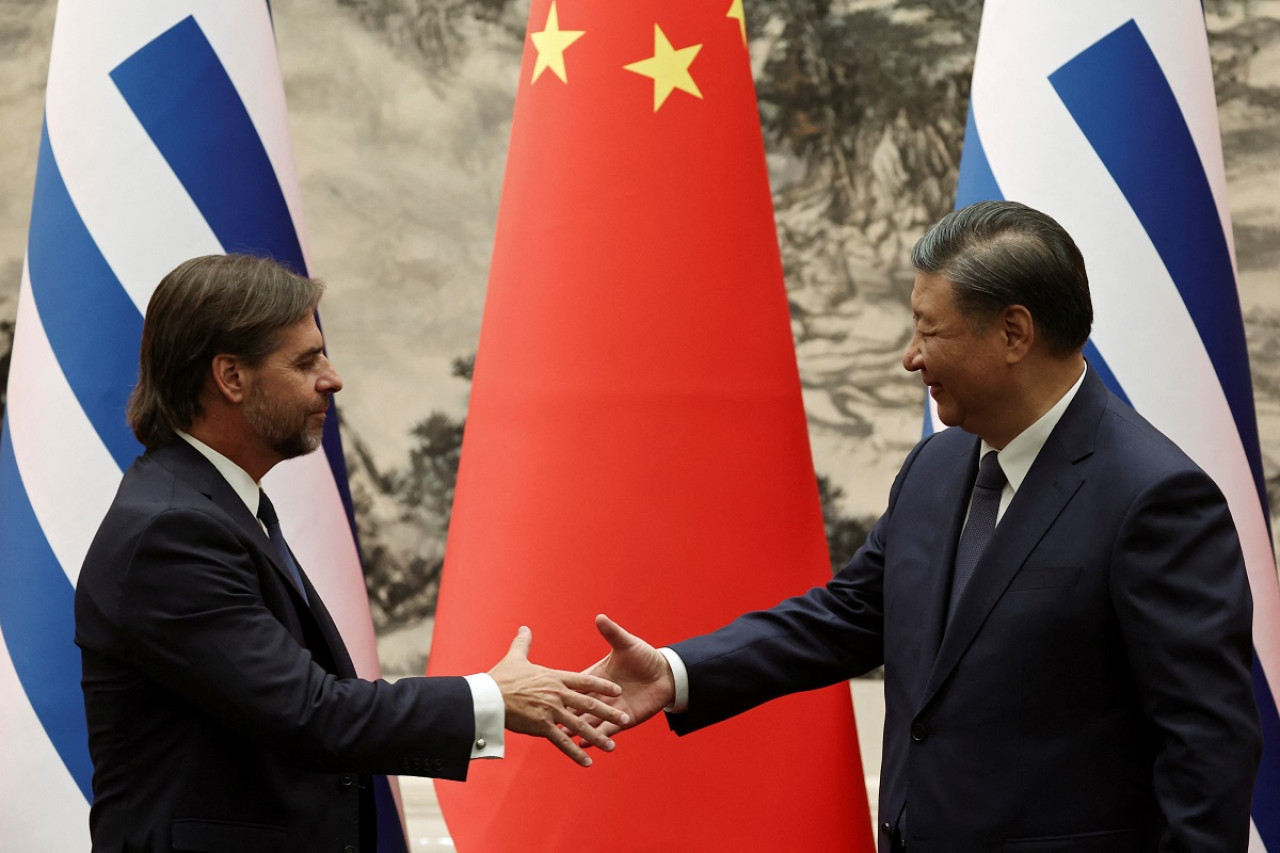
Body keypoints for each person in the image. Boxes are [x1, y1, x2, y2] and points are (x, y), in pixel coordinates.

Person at [585, 201, 1261, 852]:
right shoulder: (936, 466)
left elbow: (1207, 743)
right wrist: (676, 672)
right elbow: (849, 616)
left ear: (1014, 333)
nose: (911, 357)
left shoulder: (1156, 498)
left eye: (929, 331)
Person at [74, 253, 626, 853]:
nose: (332, 379)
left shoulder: (215, 508)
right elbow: (311, 714)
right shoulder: (172, 530)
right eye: (307, 360)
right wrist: (490, 697)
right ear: (231, 377)